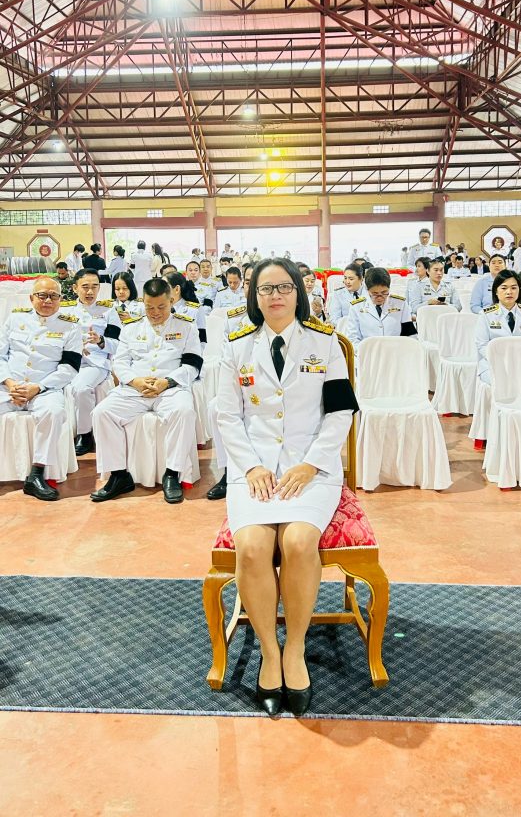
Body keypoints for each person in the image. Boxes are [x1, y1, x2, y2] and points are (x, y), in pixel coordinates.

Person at [216, 258, 358, 716]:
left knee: (298, 541)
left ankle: (294, 647)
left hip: (310, 469)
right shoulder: (236, 345)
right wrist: (251, 466)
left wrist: (312, 463)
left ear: (298, 291)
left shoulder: (325, 342)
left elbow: (340, 412)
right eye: (265, 289)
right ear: (254, 296)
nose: (275, 296)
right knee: (253, 547)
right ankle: (269, 652)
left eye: (283, 287)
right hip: (253, 470)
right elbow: (226, 416)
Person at [91, 278, 202, 504]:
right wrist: (136, 381)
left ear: (171, 301)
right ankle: (119, 475)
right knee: (102, 413)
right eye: (150, 307)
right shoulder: (131, 328)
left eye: (161, 307)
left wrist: (167, 382)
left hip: (170, 389)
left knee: (184, 411)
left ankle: (172, 473)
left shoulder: (186, 327)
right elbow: (120, 362)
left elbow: (193, 365)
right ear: (143, 302)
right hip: (135, 390)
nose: (155, 313)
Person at [0, 276, 82, 500]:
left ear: (60, 299)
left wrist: (38, 387)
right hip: (10, 386)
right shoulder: (15, 319)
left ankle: (37, 474)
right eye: (42, 295)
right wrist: (9, 383)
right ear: (31, 298)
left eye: (53, 296)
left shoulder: (71, 326)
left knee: (54, 412)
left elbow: (70, 367)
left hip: (45, 389)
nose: (48, 300)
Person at [206, 264, 256, 501]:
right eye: (248, 283)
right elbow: (228, 359)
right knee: (216, 407)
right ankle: (228, 472)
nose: (251, 287)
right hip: (244, 381)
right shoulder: (234, 318)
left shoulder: (281, 313)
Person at [64, 269, 122, 455]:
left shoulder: (108, 311)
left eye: (94, 287)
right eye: (85, 287)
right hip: (68, 361)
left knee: (81, 388)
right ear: (75, 288)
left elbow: (117, 344)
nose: (90, 292)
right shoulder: (65, 311)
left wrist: (101, 341)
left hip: (94, 362)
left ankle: (85, 434)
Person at [475, 271, 521, 385]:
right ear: (496, 291)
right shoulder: (485, 315)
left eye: (513, 288)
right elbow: (482, 345)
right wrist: (503, 359)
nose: (509, 292)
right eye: (504, 288)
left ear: (519, 290)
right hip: (493, 363)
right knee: (503, 382)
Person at [346, 267, 416, 348]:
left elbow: (410, 335)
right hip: (368, 352)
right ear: (367, 290)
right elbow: (352, 338)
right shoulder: (356, 307)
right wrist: (365, 352)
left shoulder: (400, 304)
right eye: (375, 293)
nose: (380, 297)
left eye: (384, 292)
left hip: (395, 351)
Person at [164, 272, 206, 343]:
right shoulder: (160, 309)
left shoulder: (195, 310)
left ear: (177, 289)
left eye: (164, 286)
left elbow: (202, 340)